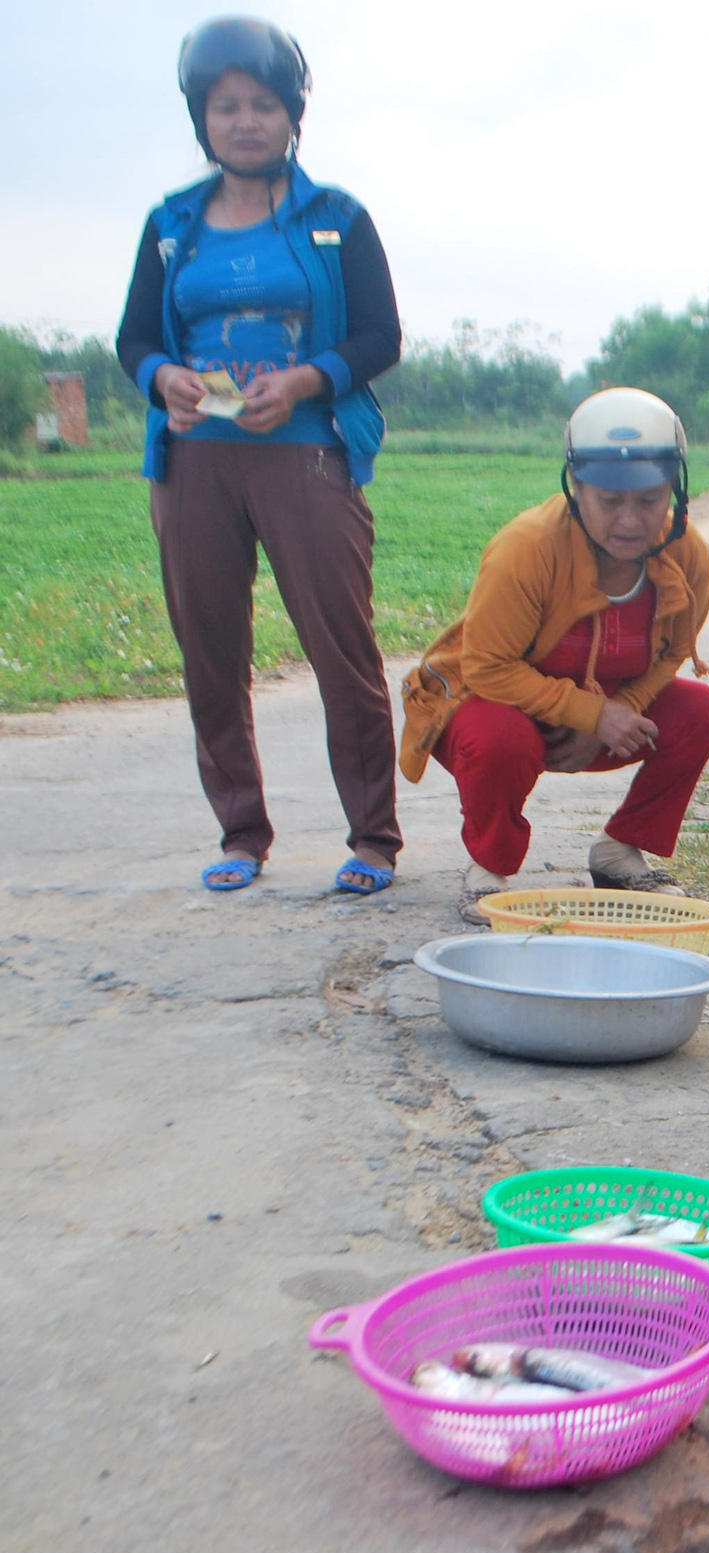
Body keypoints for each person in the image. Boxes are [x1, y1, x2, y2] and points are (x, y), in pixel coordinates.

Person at [116, 17, 402, 896]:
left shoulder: (335, 218)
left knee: (340, 646)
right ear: (202, 118)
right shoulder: (171, 225)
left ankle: (374, 839)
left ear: (292, 115)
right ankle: (241, 832)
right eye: (226, 106)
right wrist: (162, 375)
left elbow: (379, 334)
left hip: (308, 455)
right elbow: (132, 339)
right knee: (210, 648)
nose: (245, 121)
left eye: (263, 105)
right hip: (195, 461)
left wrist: (310, 380)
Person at [398, 389, 709, 915]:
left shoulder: (687, 553)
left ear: (674, 490)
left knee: (699, 712)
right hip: (497, 702)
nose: (629, 521)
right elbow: (487, 668)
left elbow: (674, 652)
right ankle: (490, 867)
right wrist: (589, 713)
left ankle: (619, 853)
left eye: (648, 500)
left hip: (604, 704)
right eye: (608, 501)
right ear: (575, 487)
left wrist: (619, 713)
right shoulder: (526, 548)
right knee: (496, 737)